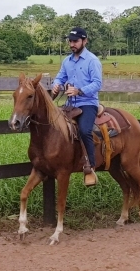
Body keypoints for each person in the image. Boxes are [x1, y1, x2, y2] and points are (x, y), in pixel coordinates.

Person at [52, 27, 102, 186]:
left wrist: (79, 91)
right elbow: (60, 77)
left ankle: (90, 167)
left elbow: (97, 83)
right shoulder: (67, 61)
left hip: (87, 103)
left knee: (85, 130)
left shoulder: (92, 60)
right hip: (70, 104)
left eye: (76, 41)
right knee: (52, 125)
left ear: (84, 41)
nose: (72, 44)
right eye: (70, 41)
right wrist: (56, 85)